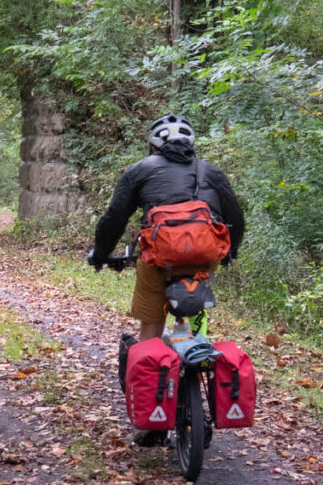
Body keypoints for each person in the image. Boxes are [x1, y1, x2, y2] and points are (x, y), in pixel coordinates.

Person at [88, 113, 245, 344]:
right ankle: (199, 349)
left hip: (159, 257)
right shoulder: (211, 171)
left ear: (153, 146)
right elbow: (235, 218)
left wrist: (101, 254)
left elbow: (115, 218)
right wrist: (230, 252)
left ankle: (151, 360)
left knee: (150, 325)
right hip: (204, 255)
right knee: (198, 288)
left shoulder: (139, 170)